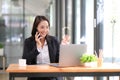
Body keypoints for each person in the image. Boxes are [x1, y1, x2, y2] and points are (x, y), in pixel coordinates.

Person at [22, 15, 61, 80]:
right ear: (36, 28)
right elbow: (26, 61)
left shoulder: (54, 41)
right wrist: (38, 48)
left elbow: (59, 60)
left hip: (52, 75)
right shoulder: (28, 42)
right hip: (35, 76)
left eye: (47, 27)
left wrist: (64, 47)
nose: (45, 30)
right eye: (42, 27)